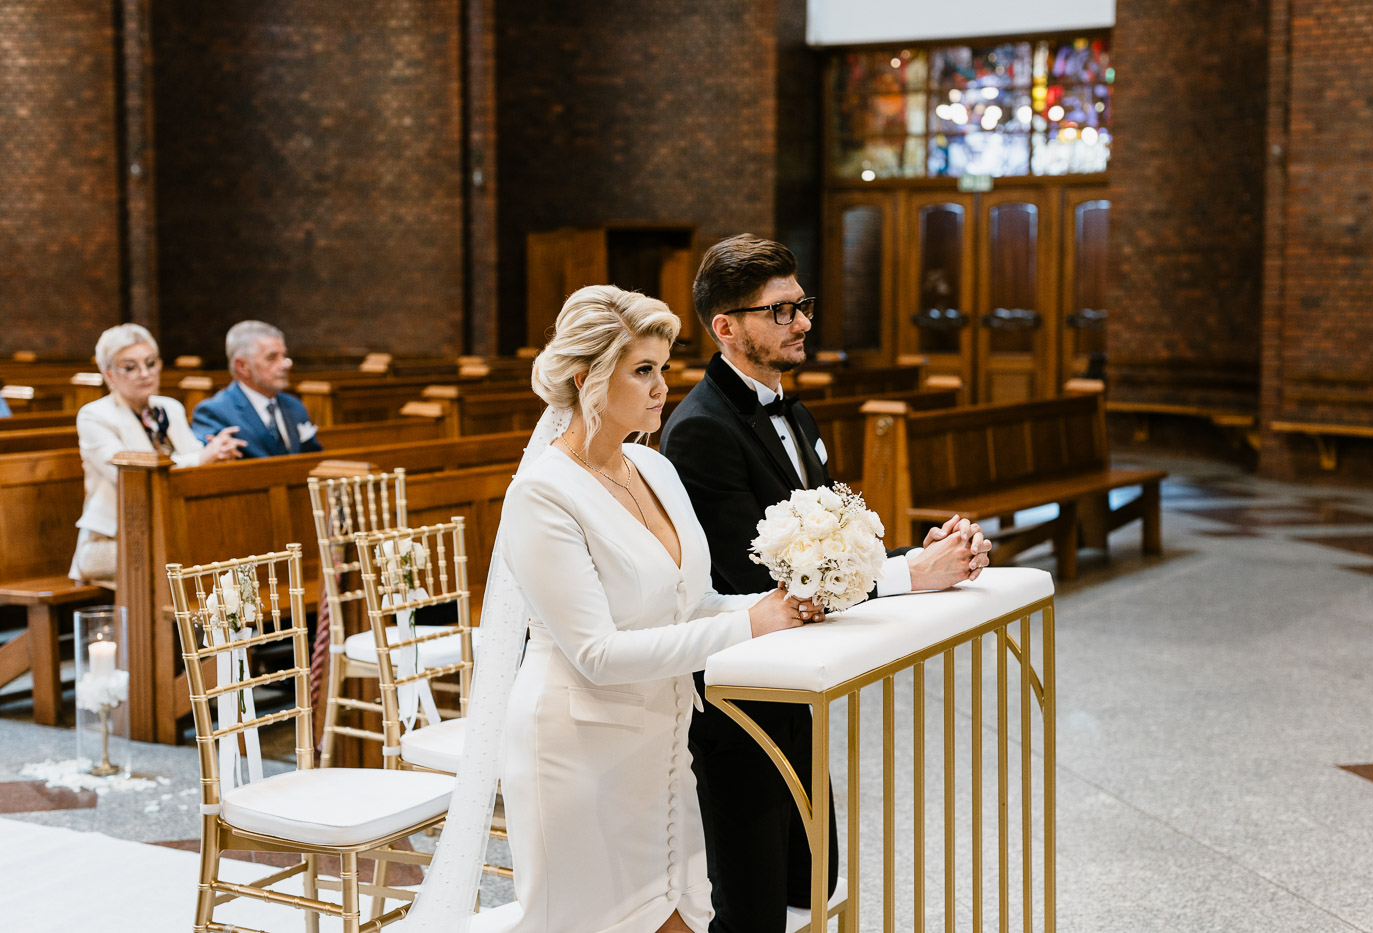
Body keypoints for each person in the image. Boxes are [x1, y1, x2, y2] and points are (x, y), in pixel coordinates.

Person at [394, 285, 822, 933]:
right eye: (643, 370)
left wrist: (778, 604)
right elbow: (594, 653)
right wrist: (748, 624)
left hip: (666, 744)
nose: (662, 386)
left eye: (664, 367)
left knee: (683, 915)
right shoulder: (542, 492)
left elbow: (694, 602)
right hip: (579, 753)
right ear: (584, 378)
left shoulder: (654, 467)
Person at [658, 233, 992, 932]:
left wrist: (925, 555)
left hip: (798, 688)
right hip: (740, 701)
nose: (803, 321)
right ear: (726, 327)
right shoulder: (699, 431)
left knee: (813, 880)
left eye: (802, 304)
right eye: (780, 311)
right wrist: (909, 574)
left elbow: (832, 550)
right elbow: (759, 580)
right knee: (752, 910)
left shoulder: (798, 414)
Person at [69, 324, 244, 586]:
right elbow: (132, 476)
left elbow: (194, 457)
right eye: (130, 367)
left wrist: (218, 452)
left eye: (151, 363)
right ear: (109, 375)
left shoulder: (169, 408)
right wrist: (201, 458)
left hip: (171, 531)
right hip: (112, 542)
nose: (145, 373)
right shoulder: (94, 416)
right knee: (180, 559)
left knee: (225, 547)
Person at [190, 320, 321, 457]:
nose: (285, 364)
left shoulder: (294, 406)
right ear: (242, 366)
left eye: (284, 356)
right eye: (272, 358)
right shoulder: (214, 412)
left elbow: (313, 456)